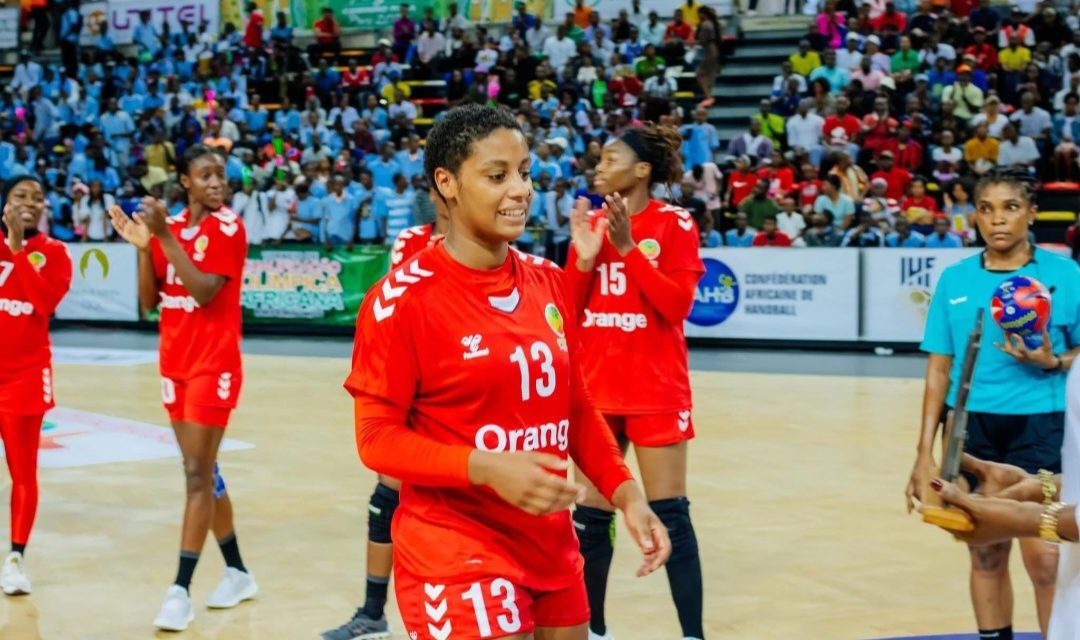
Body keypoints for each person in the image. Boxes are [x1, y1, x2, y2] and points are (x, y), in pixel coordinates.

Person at [345, 104, 669, 640]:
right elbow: (376, 440)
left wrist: (626, 494)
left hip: (551, 546)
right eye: (497, 176)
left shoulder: (547, 280)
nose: (520, 190)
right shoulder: (401, 300)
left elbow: (576, 409)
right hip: (456, 552)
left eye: (525, 173)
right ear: (447, 183)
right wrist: (485, 467)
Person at [906, 172, 1080, 640]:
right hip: (974, 431)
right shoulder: (955, 280)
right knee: (985, 550)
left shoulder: (1066, 276)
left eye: (1009, 207)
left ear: (1031, 213)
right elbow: (939, 370)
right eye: (986, 208)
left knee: (1046, 557)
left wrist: (1053, 360)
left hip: (1044, 424)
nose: (997, 219)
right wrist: (925, 453)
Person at [565, 124, 705, 640]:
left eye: (610, 159)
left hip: (654, 391)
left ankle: (693, 634)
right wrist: (582, 259)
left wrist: (626, 249)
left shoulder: (676, 223)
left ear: (641, 170)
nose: (598, 168)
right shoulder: (592, 223)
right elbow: (566, 310)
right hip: (597, 391)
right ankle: (593, 630)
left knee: (671, 514)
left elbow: (676, 307)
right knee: (590, 522)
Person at [109, 145, 257, 632]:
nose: (217, 182)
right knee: (201, 469)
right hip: (174, 362)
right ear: (184, 182)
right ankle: (237, 572)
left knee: (196, 473)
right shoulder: (168, 226)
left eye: (222, 175)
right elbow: (149, 301)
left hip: (213, 364)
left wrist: (163, 238)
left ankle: (180, 589)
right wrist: (142, 249)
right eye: (206, 175)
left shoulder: (228, 227)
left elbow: (204, 290)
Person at [0, 175, 73, 595]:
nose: (30, 203)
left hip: (25, 377)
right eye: (20, 196)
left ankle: (15, 559)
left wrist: (16, 250)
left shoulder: (55, 253)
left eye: (38, 198)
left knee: (22, 471)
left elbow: (44, 304)